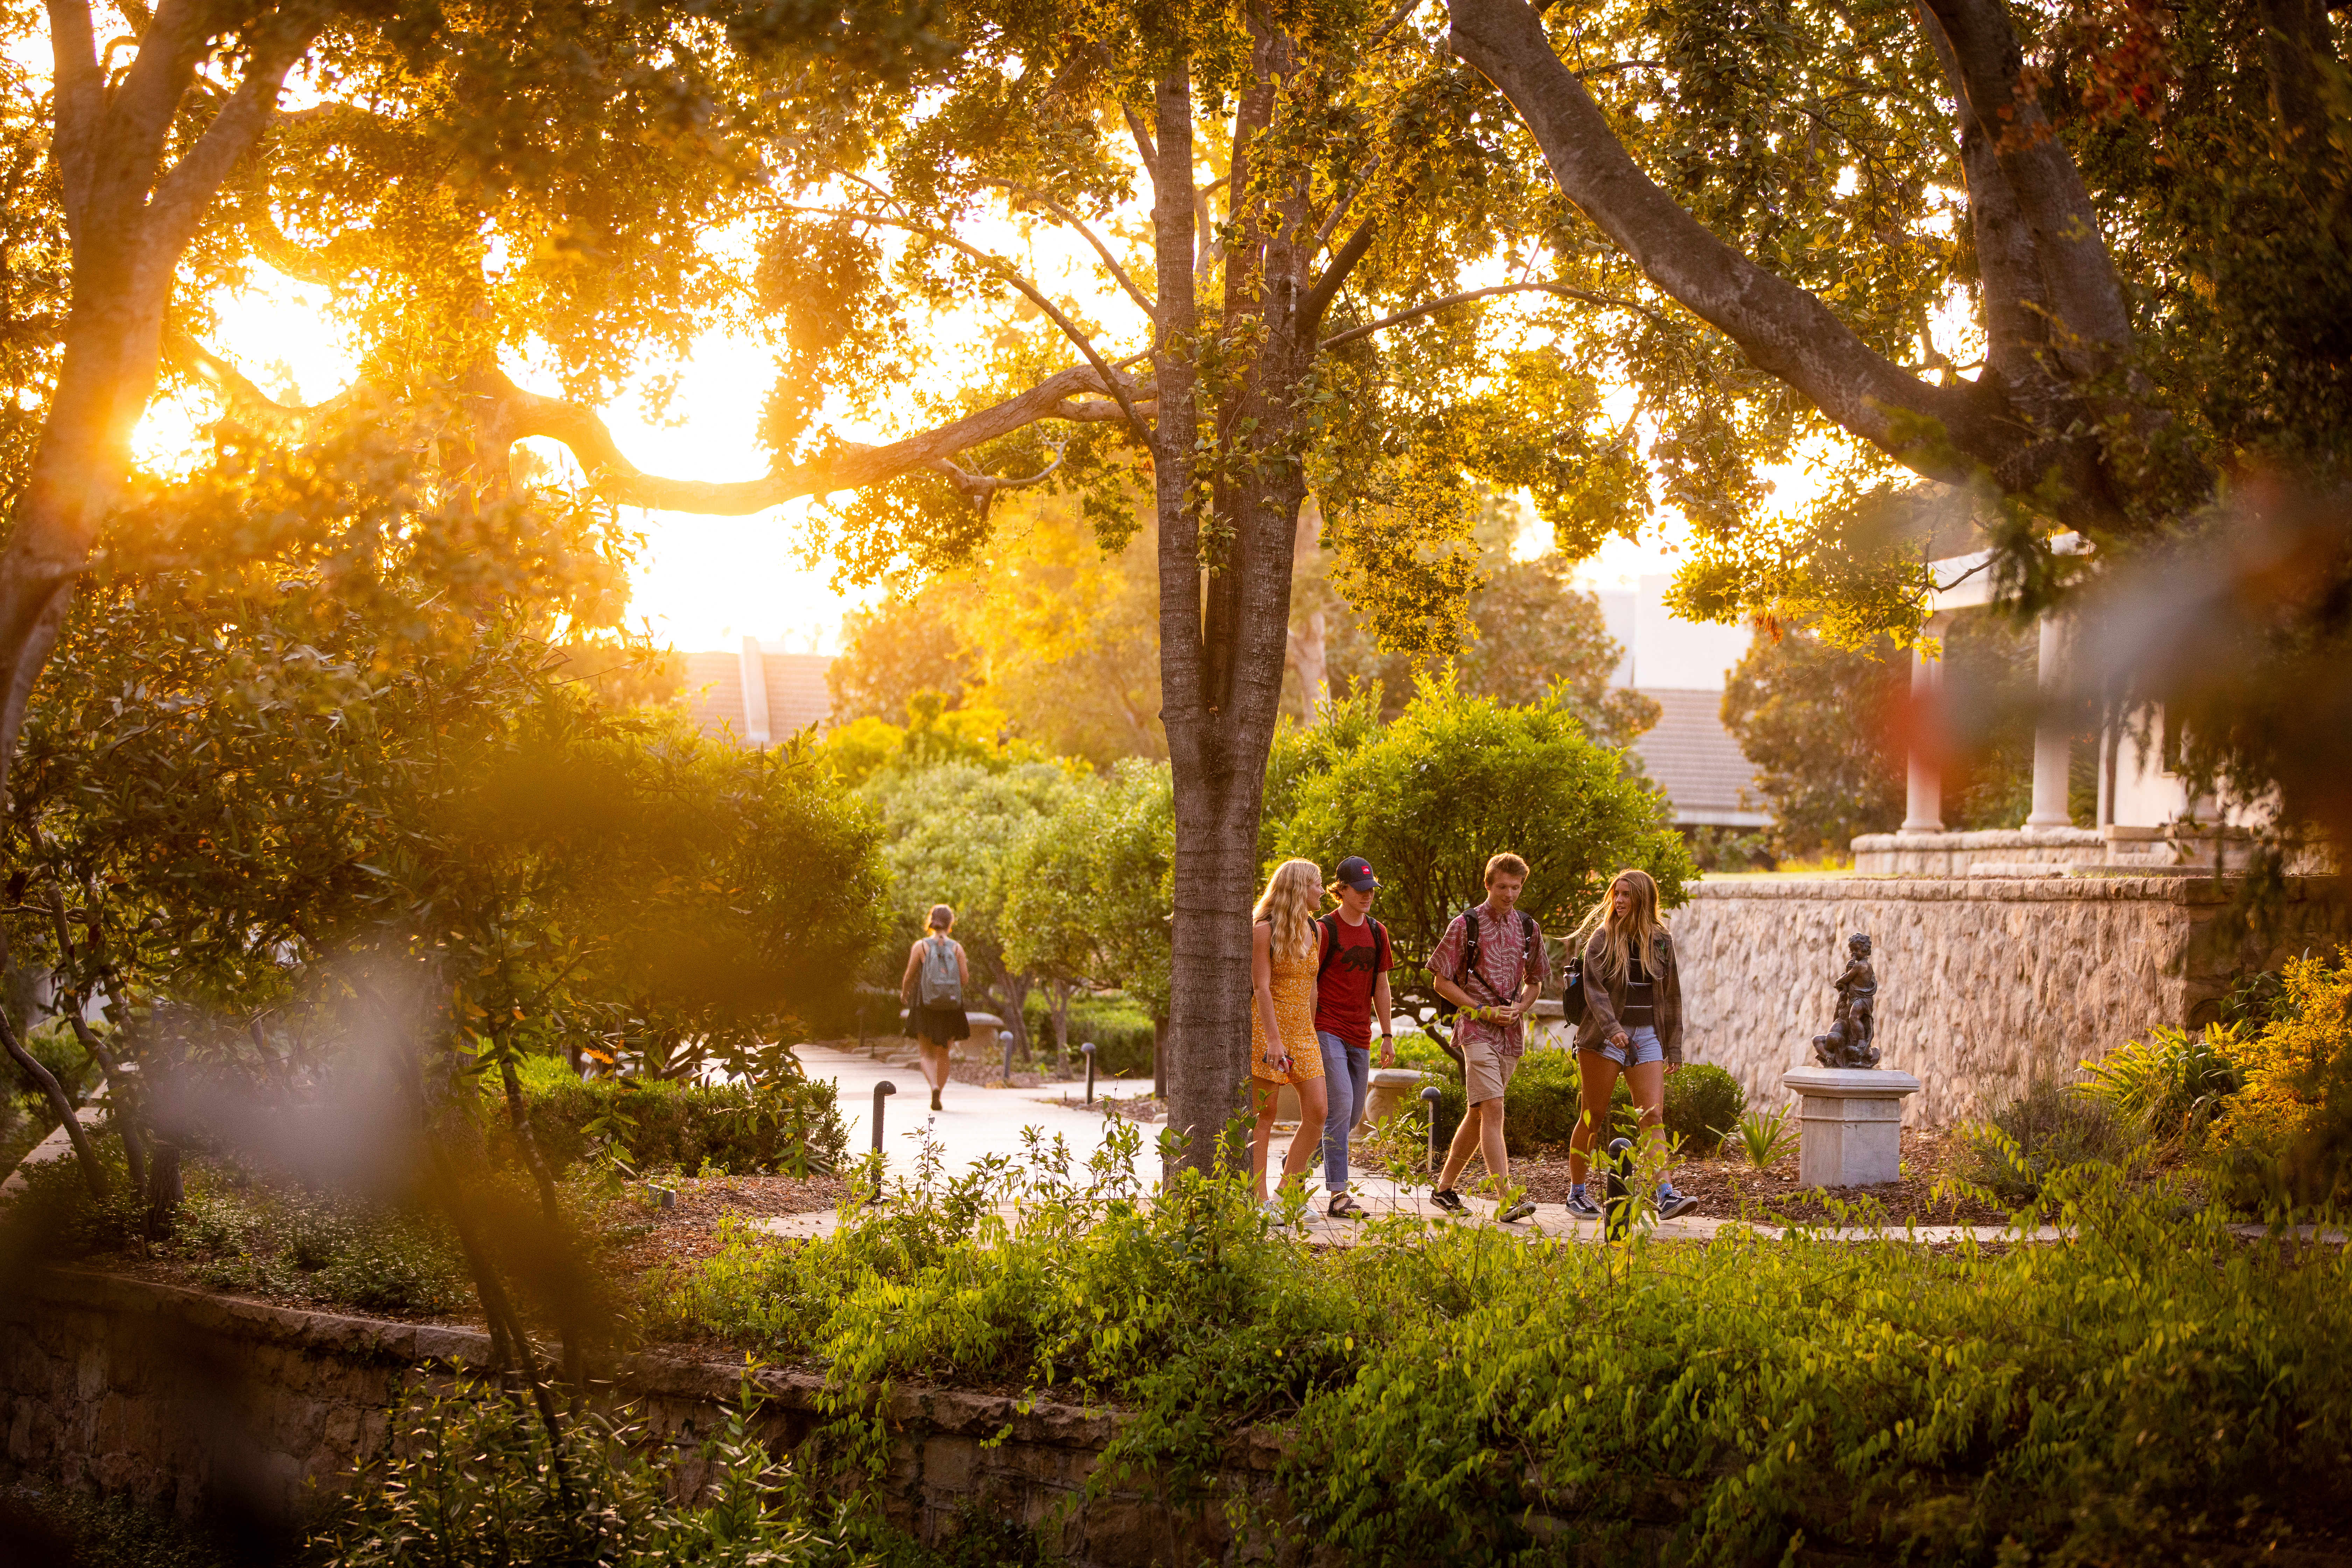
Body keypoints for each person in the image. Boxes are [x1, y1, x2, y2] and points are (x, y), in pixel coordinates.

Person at [1564, 867, 1697, 1222]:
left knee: (1653, 1117)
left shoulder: (1661, 941)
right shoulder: (1602, 939)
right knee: (1593, 1117)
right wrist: (1612, 1029)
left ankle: (1665, 1194)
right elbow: (1594, 991)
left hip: (1647, 1035)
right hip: (1602, 1039)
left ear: (1643, 899)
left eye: (1626, 895)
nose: (1619, 901)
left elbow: (1672, 998)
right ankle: (1577, 1192)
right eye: (1616, 894)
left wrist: (1673, 1048)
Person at [1427, 852, 1546, 1223]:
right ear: (1488, 884)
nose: (1510, 894)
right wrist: (1481, 1011)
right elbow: (1440, 980)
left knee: (1479, 1112)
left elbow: (1536, 980)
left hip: (1510, 1034)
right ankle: (1507, 1198)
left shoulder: (1529, 927)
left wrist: (1522, 1007)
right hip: (1474, 1028)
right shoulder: (1465, 925)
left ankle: (1444, 1189)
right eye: (1503, 887)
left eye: (1516, 887)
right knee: (1494, 1108)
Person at [1312, 855, 1395, 1219]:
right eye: (1360, 890)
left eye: (1371, 890)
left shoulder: (1378, 932)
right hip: (1326, 1027)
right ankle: (1339, 1194)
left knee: (1350, 1116)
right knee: (1342, 1104)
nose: (1367, 896)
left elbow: (1382, 985)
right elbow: (1308, 980)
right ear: (1341, 890)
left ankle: (1294, 1163)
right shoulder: (1323, 930)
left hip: (1361, 1033)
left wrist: (1388, 1034)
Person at [1249, 858, 1331, 1210]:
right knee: (1264, 1115)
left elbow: (1312, 984)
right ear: (1300, 888)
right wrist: (1273, 1040)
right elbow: (1261, 988)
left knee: (1319, 1111)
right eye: (1317, 884)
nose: (1323, 891)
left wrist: (1309, 1029)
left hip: (1303, 1030)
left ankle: (1288, 1194)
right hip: (1269, 1029)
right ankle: (1259, 1198)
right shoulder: (1263, 930)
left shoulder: (1315, 929)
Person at [899, 904, 971, 1113]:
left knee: (926, 1053)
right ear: (951, 924)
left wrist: (905, 994)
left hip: (925, 1005)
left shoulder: (920, 946)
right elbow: (964, 980)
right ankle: (941, 1091)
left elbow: (910, 976)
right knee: (944, 1054)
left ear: (931, 921)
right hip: (951, 1006)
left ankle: (934, 1087)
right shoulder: (957, 948)